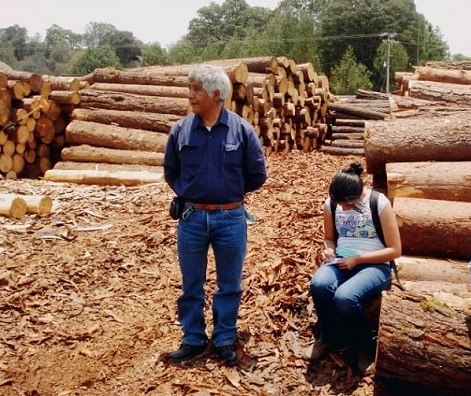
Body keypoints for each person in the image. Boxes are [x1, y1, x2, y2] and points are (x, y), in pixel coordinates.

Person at [163, 64, 267, 366]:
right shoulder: (181, 130)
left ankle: (223, 338)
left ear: (216, 94)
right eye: (190, 88)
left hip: (231, 220)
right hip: (191, 218)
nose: (191, 95)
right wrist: (192, 193)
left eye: (197, 89)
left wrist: (228, 196)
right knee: (191, 283)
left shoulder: (242, 130)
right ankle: (193, 338)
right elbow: (171, 172)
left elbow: (257, 175)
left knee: (230, 284)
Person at [303, 162, 401, 361]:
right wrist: (329, 250)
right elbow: (329, 237)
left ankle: (364, 342)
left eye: (348, 205)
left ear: (358, 195)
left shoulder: (378, 203)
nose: (343, 208)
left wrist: (358, 259)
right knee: (319, 284)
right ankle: (328, 336)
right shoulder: (332, 204)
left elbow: (395, 250)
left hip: (374, 264)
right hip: (341, 260)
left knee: (345, 297)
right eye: (340, 205)